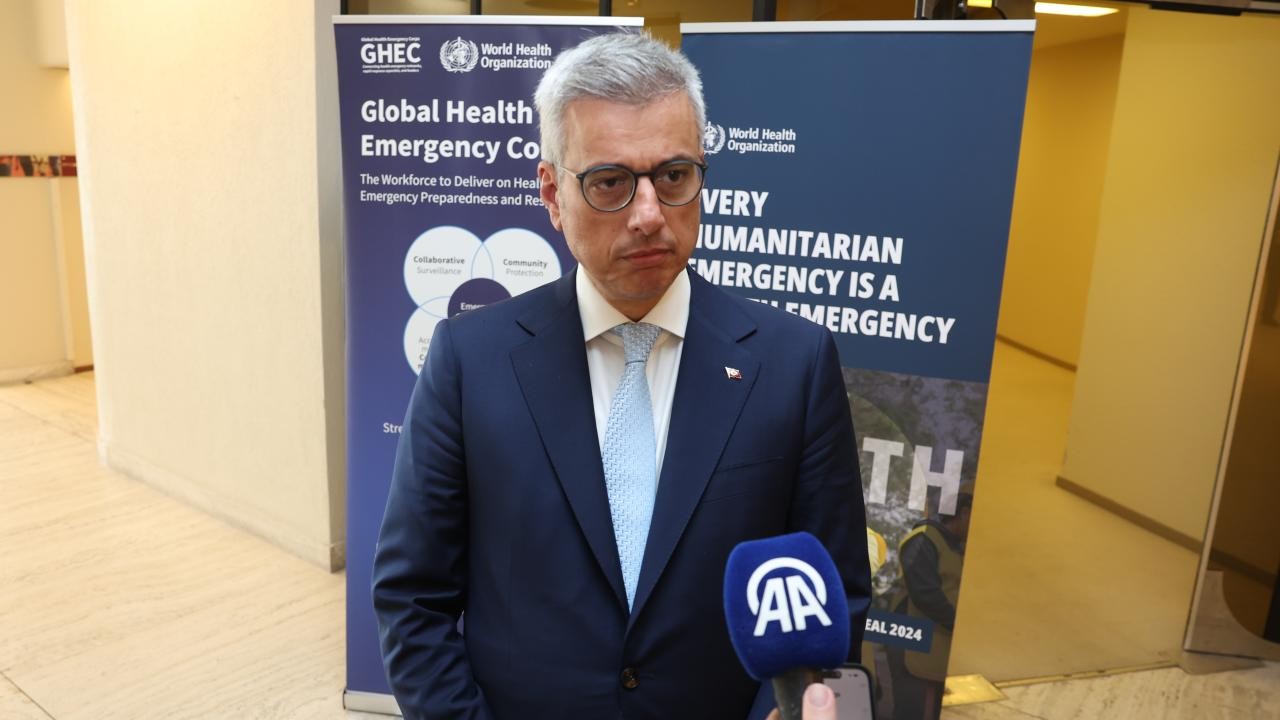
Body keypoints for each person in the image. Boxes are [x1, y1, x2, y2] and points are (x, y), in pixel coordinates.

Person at [372, 32, 872, 720]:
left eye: (673, 176)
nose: (648, 215)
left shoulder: (795, 364)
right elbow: (413, 599)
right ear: (552, 194)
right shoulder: (468, 361)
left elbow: (831, 599)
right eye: (610, 182)